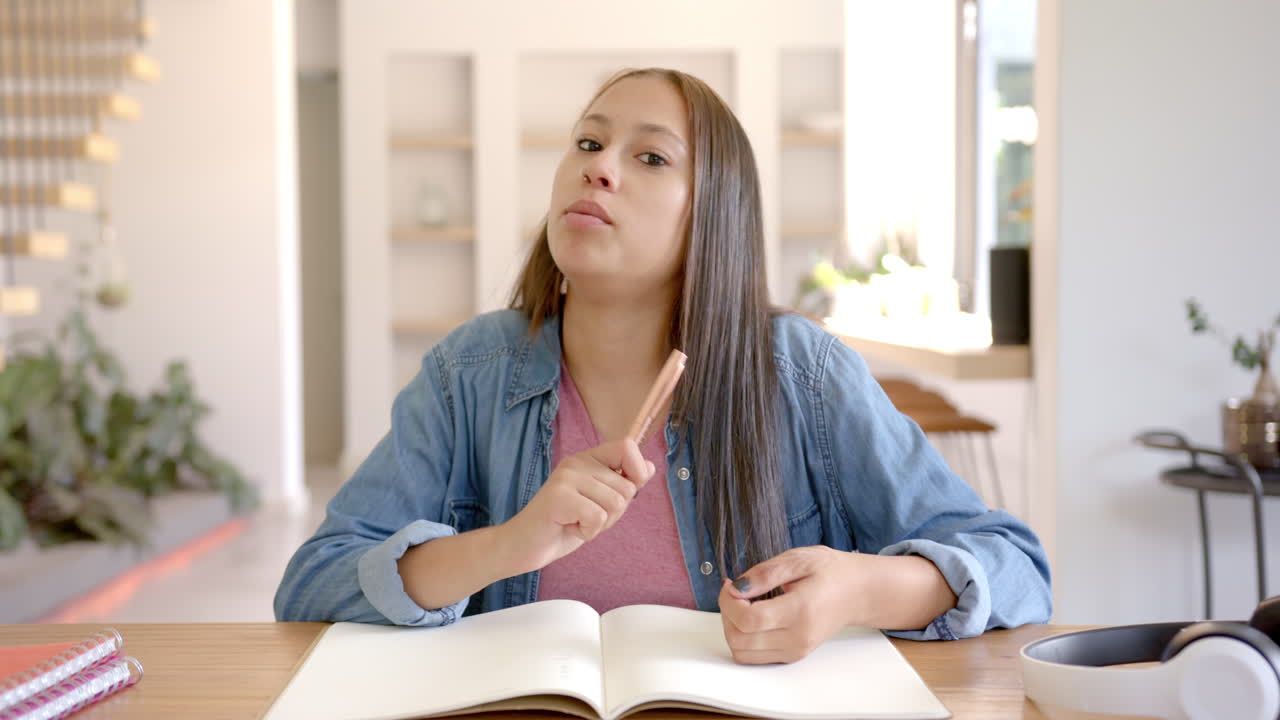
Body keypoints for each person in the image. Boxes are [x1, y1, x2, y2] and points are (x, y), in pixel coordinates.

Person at [274, 68, 1051, 664]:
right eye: (588, 142)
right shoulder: (467, 374)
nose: (599, 168)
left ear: (713, 215)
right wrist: (506, 545)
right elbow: (312, 586)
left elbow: (1015, 566)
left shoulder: (801, 373)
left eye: (649, 156)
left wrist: (859, 590)